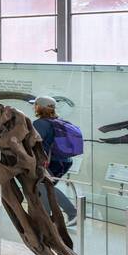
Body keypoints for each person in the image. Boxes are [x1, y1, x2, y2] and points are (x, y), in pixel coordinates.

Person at [31, 96, 81, 225]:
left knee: (45, 187)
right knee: (44, 189)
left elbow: (35, 144)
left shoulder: (40, 123)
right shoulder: (58, 121)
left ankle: (73, 213)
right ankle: (48, 219)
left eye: (35, 105)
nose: (33, 107)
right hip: (64, 161)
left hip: (50, 162)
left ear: (39, 107)